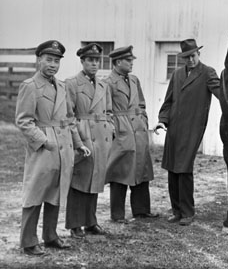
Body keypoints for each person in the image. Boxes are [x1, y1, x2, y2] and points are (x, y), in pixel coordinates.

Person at [15, 40, 90, 255]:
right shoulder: (30, 86)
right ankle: (28, 242)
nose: (53, 65)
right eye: (49, 60)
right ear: (39, 60)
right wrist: (43, 140)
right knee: (35, 192)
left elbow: (69, 118)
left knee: (57, 191)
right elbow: (23, 121)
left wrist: (79, 143)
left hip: (64, 145)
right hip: (43, 147)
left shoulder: (61, 86)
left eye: (57, 61)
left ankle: (51, 236)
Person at [153, 39, 220, 226]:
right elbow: (168, 101)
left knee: (184, 169)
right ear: (182, 58)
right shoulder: (176, 74)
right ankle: (176, 211)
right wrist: (162, 120)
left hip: (192, 128)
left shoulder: (207, 73)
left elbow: (221, 92)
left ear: (199, 54)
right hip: (174, 128)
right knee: (172, 169)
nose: (190, 60)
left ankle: (188, 212)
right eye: (187, 57)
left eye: (193, 56)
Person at [64, 43, 114, 239]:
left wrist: (110, 129)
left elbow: (109, 112)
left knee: (95, 179)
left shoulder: (103, 85)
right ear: (82, 61)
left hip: (101, 137)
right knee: (79, 181)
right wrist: (77, 140)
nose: (94, 64)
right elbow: (69, 115)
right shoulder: (71, 84)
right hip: (82, 135)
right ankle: (75, 224)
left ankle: (91, 222)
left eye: (97, 60)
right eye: (90, 60)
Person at [104, 45, 158, 223]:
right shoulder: (108, 83)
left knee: (142, 169)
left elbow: (141, 104)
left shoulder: (134, 80)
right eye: (128, 60)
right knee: (119, 172)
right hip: (121, 130)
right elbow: (106, 110)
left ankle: (141, 210)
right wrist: (114, 128)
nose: (131, 63)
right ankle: (117, 214)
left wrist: (143, 120)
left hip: (138, 130)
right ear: (118, 62)